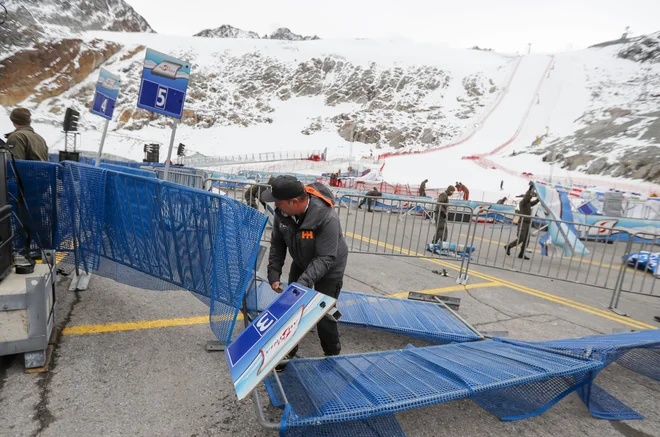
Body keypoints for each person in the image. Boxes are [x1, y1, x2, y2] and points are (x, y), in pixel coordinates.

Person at [263, 175, 348, 357]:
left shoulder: (327, 218)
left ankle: (332, 354)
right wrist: (274, 274)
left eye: (278, 202)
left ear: (294, 202)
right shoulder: (283, 215)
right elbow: (278, 245)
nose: (275, 206)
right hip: (302, 261)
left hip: (330, 266)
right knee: (291, 307)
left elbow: (325, 258)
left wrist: (301, 284)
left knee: (324, 314)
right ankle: (288, 352)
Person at [505, 183, 539, 260]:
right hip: (523, 223)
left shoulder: (527, 204)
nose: (530, 198)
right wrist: (530, 189)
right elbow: (527, 198)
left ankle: (522, 254)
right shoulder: (523, 203)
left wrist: (538, 198)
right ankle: (508, 246)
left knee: (526, 240)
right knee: (521, 238)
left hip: (527, 223)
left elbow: (534, 202)